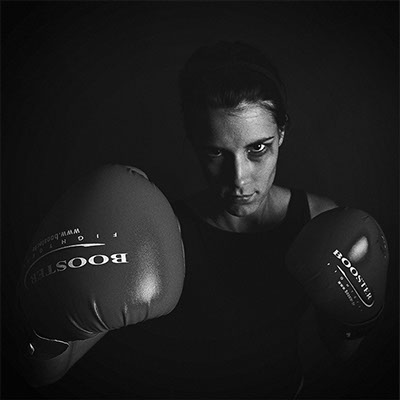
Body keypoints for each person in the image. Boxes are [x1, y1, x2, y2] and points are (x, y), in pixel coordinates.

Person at [15, 41, 387, 399]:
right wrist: (47, 326)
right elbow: (45, 372)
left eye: (258, 148)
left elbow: (342, 353)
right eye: (216, 152)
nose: (239, 178)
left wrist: (360, 316)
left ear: (282, 135)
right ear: (193, 142)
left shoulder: (319, 219)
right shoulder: (157, 228)